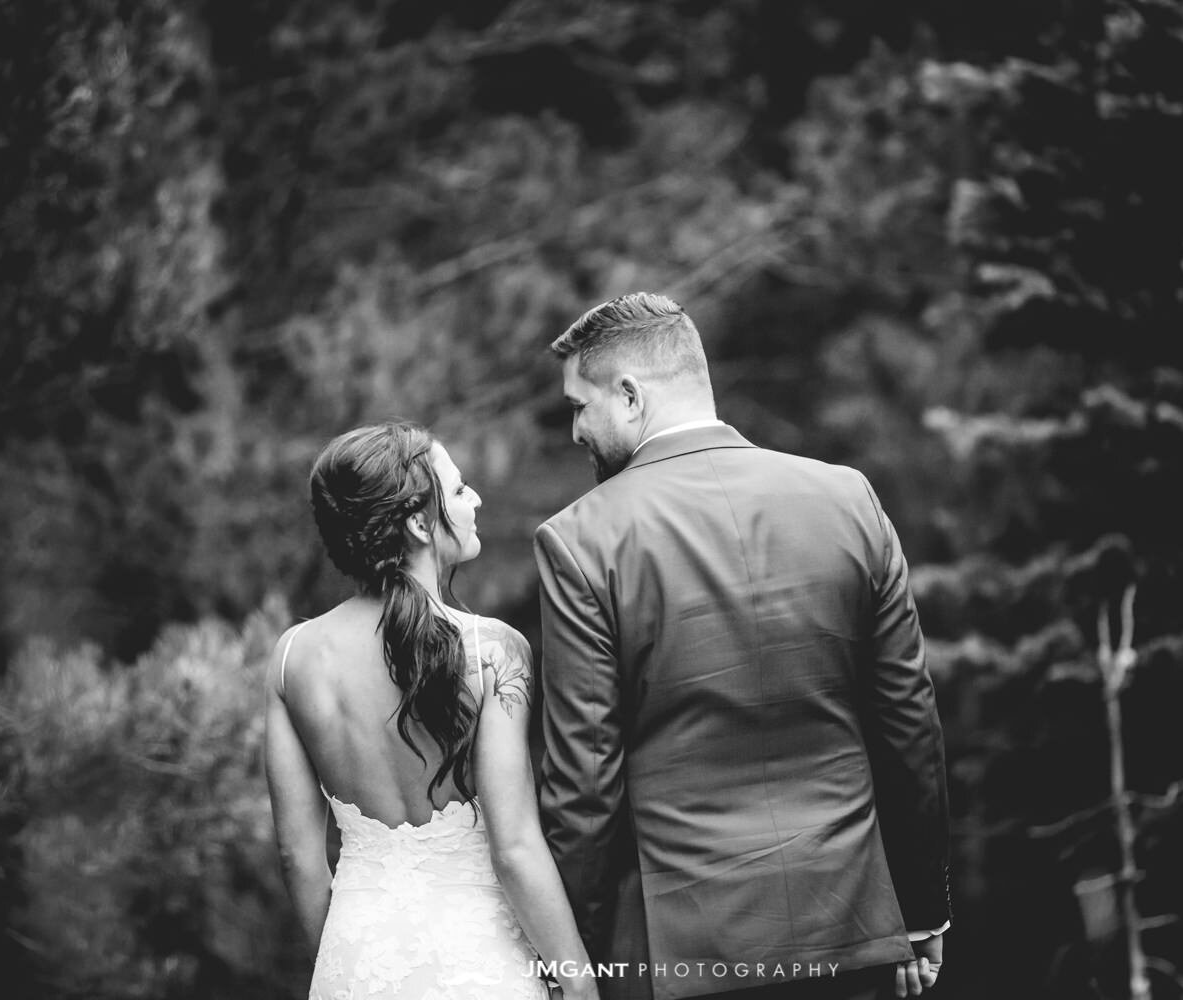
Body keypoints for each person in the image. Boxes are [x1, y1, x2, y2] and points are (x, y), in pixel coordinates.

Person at [534, 293, 951, 1000]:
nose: (576, 429)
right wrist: (918, 912)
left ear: (631, 395)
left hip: (690, 953)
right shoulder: (849, 499)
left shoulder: (582, 542)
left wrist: (578, 962)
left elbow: (584, 785)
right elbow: (908, 723)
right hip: (852, 932)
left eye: (581, 405)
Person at [265, 422, 598, 1000]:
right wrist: (579, 981)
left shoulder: (293, 657)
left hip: (355, 963)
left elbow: (298, 857)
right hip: (481, 964)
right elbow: (515, 847)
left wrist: (350, 961)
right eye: (462, 489)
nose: (476, 500)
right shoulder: (491, 651)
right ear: (420, 523)